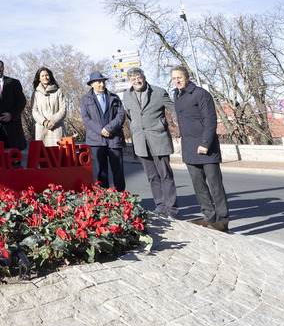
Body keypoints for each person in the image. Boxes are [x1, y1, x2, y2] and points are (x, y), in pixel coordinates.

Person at [171, 65, 229, 231]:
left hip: (206, 148)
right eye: (174, 78)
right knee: (199, 185)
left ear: (187, 77)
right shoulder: (176, 94)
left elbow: (210, 120)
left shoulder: (201, 94)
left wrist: (205, 143)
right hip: (189, 148)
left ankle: (223, 221)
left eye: (180, 77)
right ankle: (209, 218)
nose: (177, 81)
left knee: (215, 185)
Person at [122, 67, 177, 215]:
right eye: (133, 79)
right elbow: (130, 117)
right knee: (152, 176)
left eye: (139, 77)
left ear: (144, 77)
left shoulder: (159, 92)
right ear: (130, 81)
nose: (137, 81)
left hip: (159, 139)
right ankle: (160, 205)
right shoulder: (127, 96)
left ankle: (172, 208)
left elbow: (174, 110)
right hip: (140, 142)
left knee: (165, 174)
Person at [79, 71, 126, 190]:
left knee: (118, 170)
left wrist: (109, 128)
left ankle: (121, 198)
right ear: (92, 84)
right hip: (96, 141)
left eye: (103, 81)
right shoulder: (86, 99)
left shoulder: (114, 97)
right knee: (101, 172)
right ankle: (103, 201)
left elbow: (121, 115)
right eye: (98, 82)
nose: (101, 84)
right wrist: (101, 130)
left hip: (114, 139)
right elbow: (86, 118)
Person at [29, 67, 67, 146]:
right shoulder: (36, 93)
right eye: (42, 76)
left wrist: (53, 121)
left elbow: (63, 110)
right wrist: (45, 122)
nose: (45, 77)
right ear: (39, 78)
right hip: (42, 129)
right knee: (43, 156)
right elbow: (34, 111)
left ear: (50, 76)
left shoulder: (58, 92)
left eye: (47, 75)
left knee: (59, 155)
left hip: (57, 128)